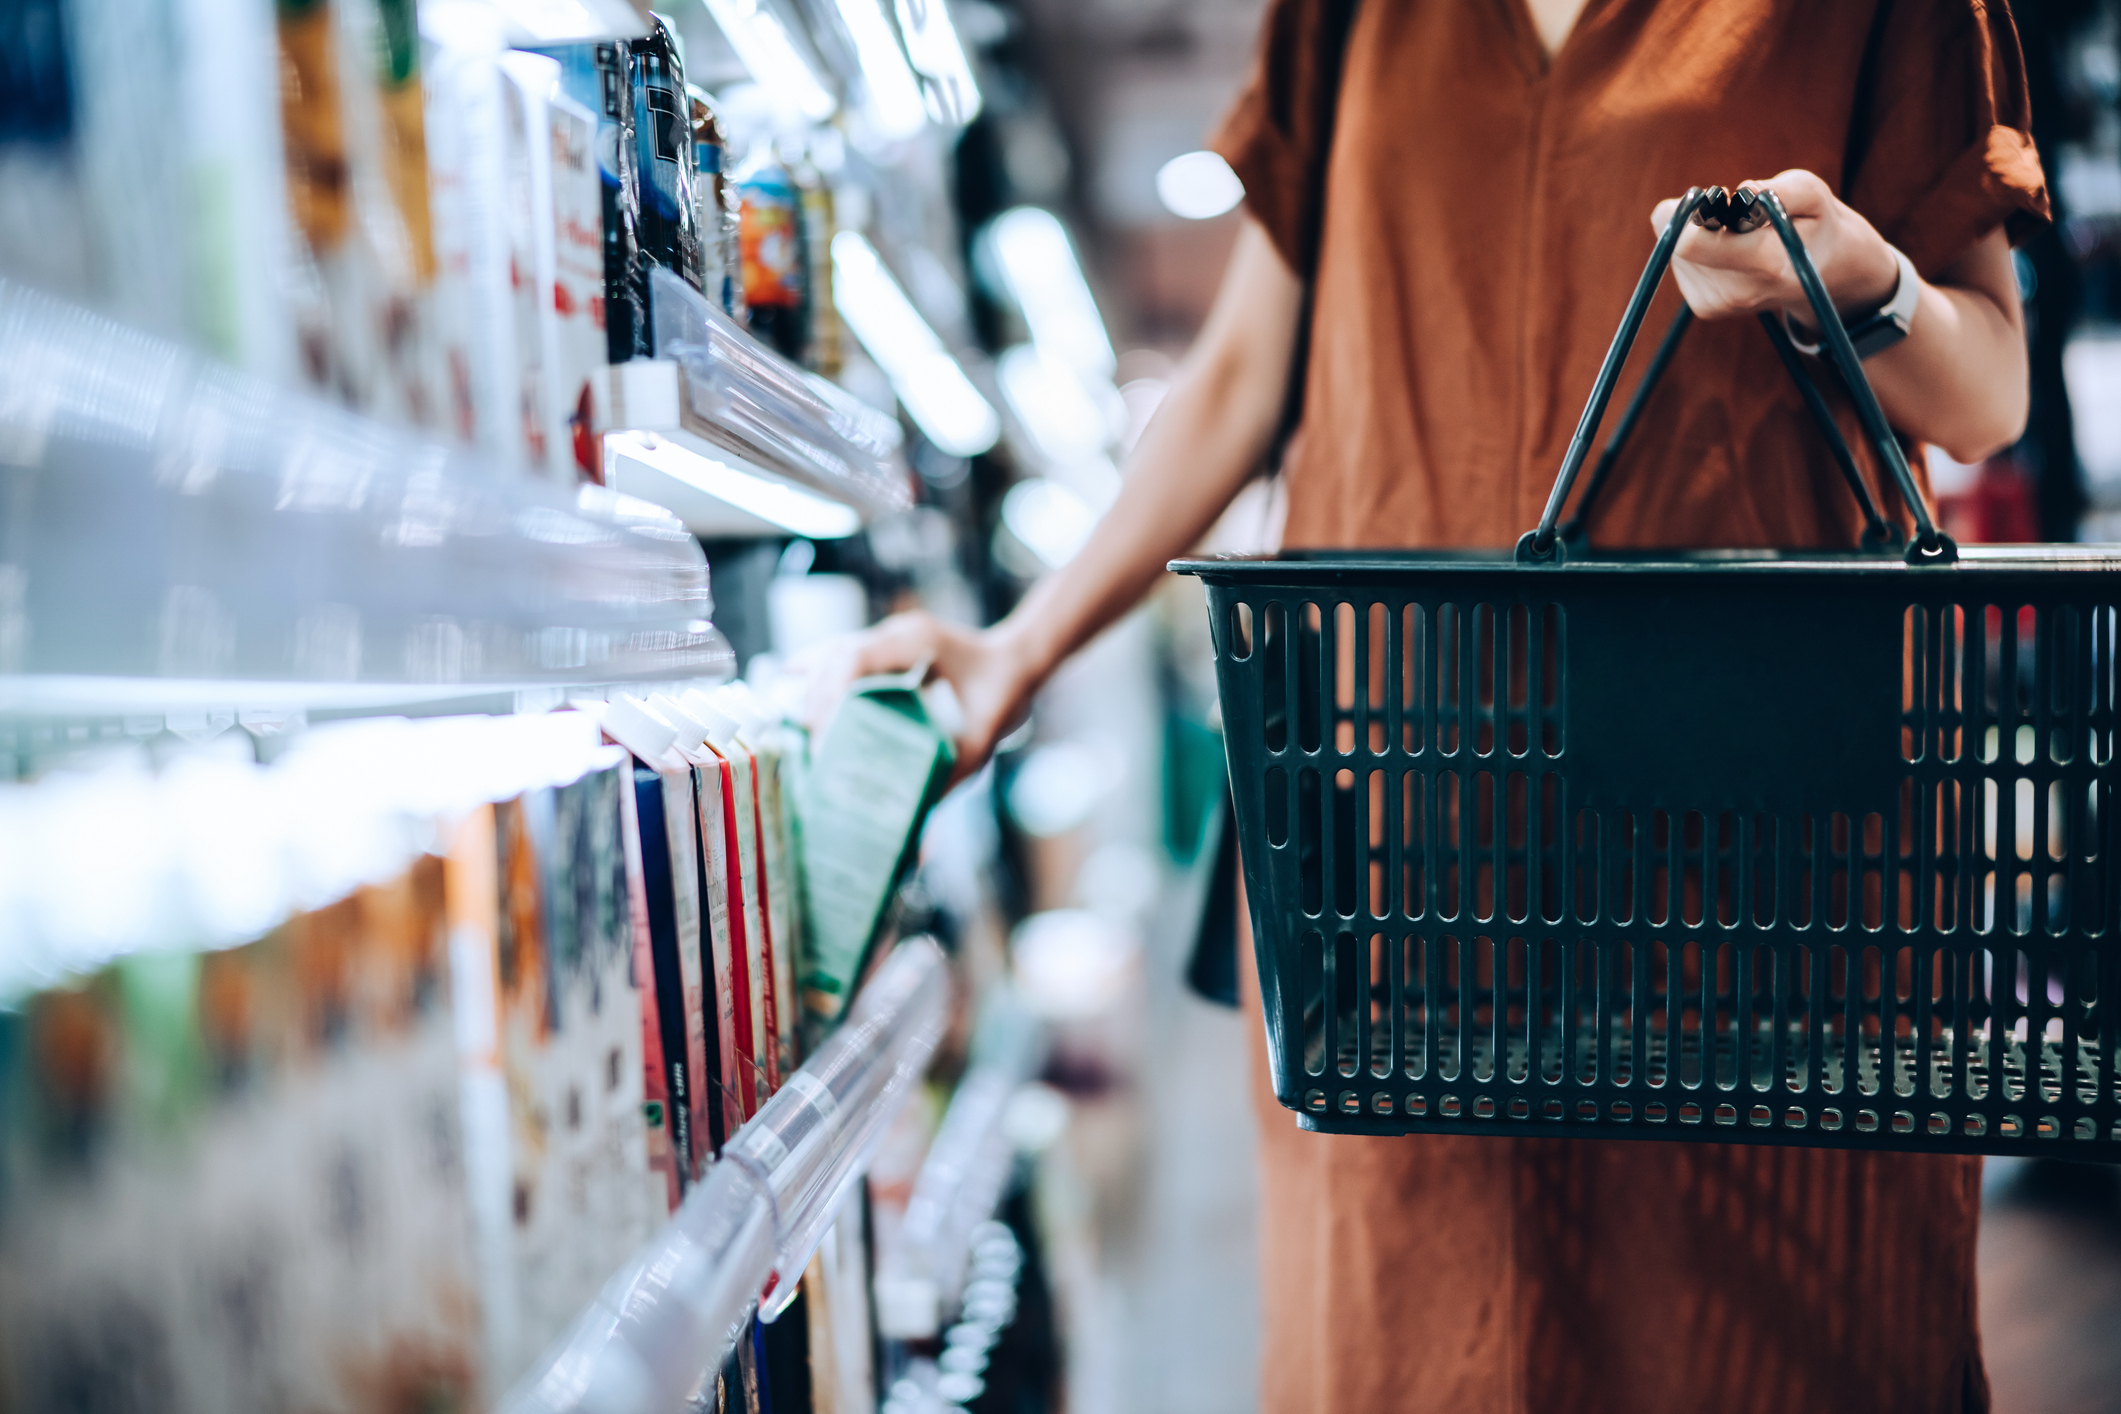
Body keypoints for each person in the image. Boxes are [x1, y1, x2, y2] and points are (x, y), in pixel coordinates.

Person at [815, 1, 2046, 1408]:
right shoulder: (1348, 19)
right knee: (1417, 1339)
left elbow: (1985, 391)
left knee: (1760, 1339)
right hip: (1405, 881)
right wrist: (1017, 649)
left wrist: (1857, 281)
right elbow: (1239, 372)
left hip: (1750, 869)